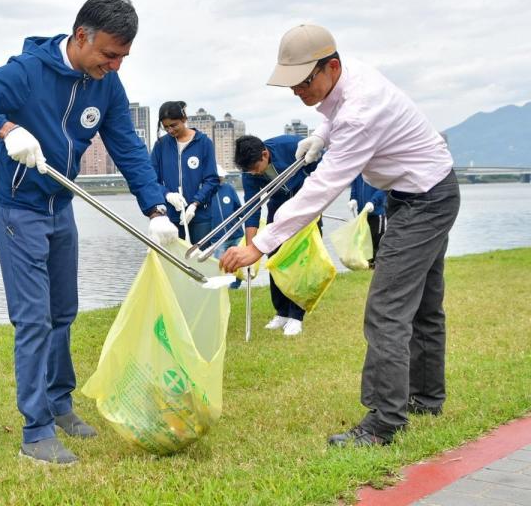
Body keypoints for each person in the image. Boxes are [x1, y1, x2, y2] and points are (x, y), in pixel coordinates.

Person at [0, 0, 179, 465]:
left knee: (63, 309)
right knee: (33, 317)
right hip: (16, 206)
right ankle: (36, 430)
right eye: (110, 55)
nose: (116, 66)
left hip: (58, 203)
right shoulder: (25, 73)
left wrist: (156, 210)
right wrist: (7, 131)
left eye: (124, 57)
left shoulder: (106, 86)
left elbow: (127, 146)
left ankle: (60, 402)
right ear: (81, 36)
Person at [221, 24, 459, 447]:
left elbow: (320, 190)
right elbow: (335, 116)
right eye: (290, 84)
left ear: (331, 66)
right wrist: (318, 136)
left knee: (386, 309)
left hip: (425, 199)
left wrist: (260, 244)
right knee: (423, 305)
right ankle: (426, 397)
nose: (296, 91)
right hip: (418, 191)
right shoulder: (349, 80)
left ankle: (384, 422)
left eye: (303, 82)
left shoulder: (361, 111)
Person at [234, 134, 318, 336]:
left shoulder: (291, 146)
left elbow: (321, 174)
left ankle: (296, 316)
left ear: (265, 154)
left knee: (300, 261)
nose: (253, 174)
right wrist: (251, 246)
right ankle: (281, 312)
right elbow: (252, 207)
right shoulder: (249, 171)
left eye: (255, 168)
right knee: (275, 258)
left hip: (306, 205)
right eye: (248, 171)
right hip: (278, 208)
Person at [150, 100, 221, 243]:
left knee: (199, 257)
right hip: (171, 215)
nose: (170, 130)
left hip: (200, 216)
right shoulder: (161, 145)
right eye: (166, 127)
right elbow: (152, 179)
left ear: (184, 119)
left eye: (173, 125)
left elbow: (212, 180)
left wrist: (195, 203)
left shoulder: (203, 143)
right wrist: (167, 194)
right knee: (173, 258)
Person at [350, 174, 387, 267]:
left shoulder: (376, 168)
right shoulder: (359, 169)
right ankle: (367, 266)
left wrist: (373, 202)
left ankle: (377, 267)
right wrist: (353, 198)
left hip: (377, 212)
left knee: (377, 242)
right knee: (364, 243)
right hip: (362, 213)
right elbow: (354, 185)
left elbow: (383, 188)